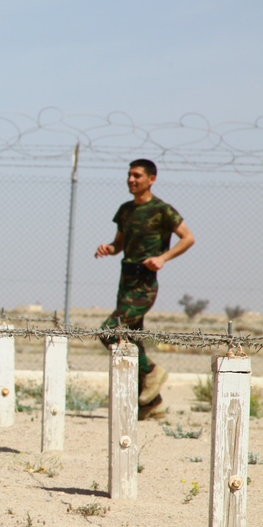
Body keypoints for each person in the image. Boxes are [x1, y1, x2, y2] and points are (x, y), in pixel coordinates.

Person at [95, 159, 195, 420]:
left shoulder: (162, 210)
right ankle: (154, 404)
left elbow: (188, 238)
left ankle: (151, 372)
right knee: (130, 338)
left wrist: (163, 258)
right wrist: (109, 249)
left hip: (144, 283)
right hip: (125, 279)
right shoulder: (125, 211)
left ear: (151, 179)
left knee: (110, 331)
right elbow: (119, 244)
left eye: (137, 175)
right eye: (129, 175)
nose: (131, 180)